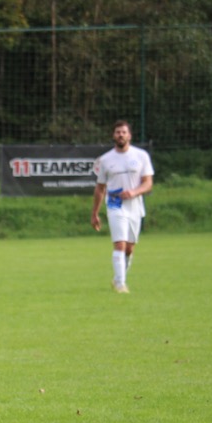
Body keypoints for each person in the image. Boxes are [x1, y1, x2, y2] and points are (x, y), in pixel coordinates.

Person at [90, 120, 154, 294]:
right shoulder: (105, 160)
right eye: (118, 132)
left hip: (134, 205)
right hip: (115, 204)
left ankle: (118, 277)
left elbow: (148, 183)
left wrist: (134, 192)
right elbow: (100, 188)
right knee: (120, 244)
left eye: (123, 132)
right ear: (113, 135)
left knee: (129, 248)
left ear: (129, 135)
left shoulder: (141, 156)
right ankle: (120, 284)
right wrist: (95, 213)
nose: (120, 135)